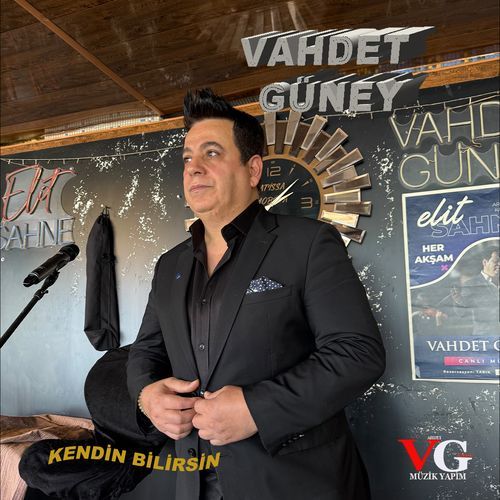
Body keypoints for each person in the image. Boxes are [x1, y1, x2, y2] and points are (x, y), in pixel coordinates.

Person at [127, 88, 386, 500]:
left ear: (252, 170)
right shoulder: (169, 265)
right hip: (194, 484)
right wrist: (147, 396)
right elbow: (145, 352)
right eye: (187, 158)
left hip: (296, 484)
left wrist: (256, 409)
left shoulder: (309, 243)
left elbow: (357, 353)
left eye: (212, 153)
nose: (193, 168)